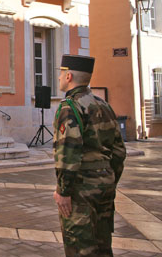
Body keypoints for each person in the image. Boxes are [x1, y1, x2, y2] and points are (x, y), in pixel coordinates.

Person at [53, 54, 126, 256]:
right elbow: (119, 150)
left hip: (81, 189)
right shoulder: (103, 105)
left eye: (60, 74)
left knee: (81, 247)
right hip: (105, 185)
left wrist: (64, 190)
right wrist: (108, 178)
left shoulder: (70, 107)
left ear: (68, 76)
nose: (58, 78)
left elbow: (68, 153)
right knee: (103, 246)